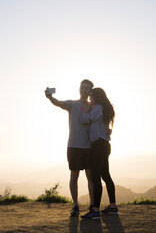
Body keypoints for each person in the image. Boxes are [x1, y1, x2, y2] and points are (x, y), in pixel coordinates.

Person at [45, 79, 94, 217]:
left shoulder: (93, 106)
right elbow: (58, 103)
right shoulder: (72, 104)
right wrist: (50, 97)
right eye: (82, 87)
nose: (84, 89)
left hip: (89, 147)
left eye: (87, 88)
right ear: (79, 89)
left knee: (90, 176)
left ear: (90, 91)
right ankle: (75, 205)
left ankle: (92, 205)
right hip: (74, 145)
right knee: (74, 177)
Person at [79, 87, 117, 219]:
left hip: (98, 145)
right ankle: (112, 206)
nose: (90, 99)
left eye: (91, 96)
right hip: (104, 145)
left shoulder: (97, 108)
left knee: (95, 177)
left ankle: (95, 210)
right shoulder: (105, 108)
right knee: (105, 175)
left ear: (96, 96)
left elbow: (84, 119)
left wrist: (87, 109)